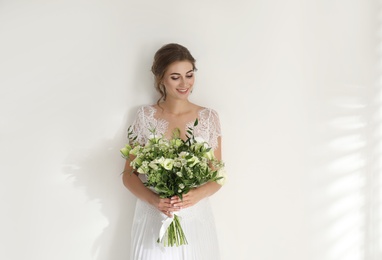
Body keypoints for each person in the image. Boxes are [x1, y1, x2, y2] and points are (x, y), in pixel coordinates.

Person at [122, 43, 224, 260]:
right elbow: (129, 175)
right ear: (161, 79)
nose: (185, 83)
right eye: (175, 77)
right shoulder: (145, 116)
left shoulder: (208, 118)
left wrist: (197, 194)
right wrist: (154, 200)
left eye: (189, 75)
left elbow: (218, 176)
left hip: (195, 218)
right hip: (153, 217)